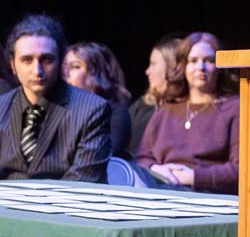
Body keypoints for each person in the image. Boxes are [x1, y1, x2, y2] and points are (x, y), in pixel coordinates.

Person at [0, 14, 111, 182]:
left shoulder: (92, 109)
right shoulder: (2, 108)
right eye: (27, 60)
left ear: (60, 61)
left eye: (47, 60)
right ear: (13, 65)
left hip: (67, 206)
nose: (37, 70)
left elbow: (82, 184)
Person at [136, 31, 239, 193]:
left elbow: (239, 169)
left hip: (209, 198)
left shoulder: (234, 108)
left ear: (220, 68)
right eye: (193, 61)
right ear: (183, 66)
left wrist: (194, 176)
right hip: (162, 192)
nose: (201, 67)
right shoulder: (166, 109)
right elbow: (142, 158)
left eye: (209, 61)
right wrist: (155, 169)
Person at [64, 41, 134, 158]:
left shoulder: (116, 113)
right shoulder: (59, 110)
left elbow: (104, 154)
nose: (66, 73)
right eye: (64, 67)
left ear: (95, 73)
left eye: (75, 67)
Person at [128, 33, 187, 155]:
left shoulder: (187, 111)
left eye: (153, 64)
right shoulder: (141, 106)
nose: (147, 71)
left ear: (172, 67)